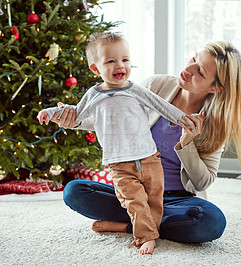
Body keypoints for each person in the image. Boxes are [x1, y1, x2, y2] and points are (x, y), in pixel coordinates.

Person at [53, 40, 241, 245]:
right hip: (136, 191)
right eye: (194, 58)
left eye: (200, 72)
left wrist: (187, 143)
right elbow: (115, 119)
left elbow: (203, 182)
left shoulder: (215, 123)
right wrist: (74, 121)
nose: (188, 69)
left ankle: (131, 225)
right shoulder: (157, 85)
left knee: (211, 222)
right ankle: (146, 219)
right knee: (74, 191)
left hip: (177, 200)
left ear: (217, 88)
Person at [37, 32, 196, 255]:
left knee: (154, 201)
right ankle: (147, 237)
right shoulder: (94, 94)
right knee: (135, 202)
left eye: (125, 59)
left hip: (150, 158)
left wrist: (184, 119)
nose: (119, 65)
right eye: (110, 61)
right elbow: (76, 114)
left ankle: (135, 227)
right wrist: (52, 112)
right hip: (120, 164)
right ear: (95, 69)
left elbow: (161, 105)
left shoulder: (136, 90)